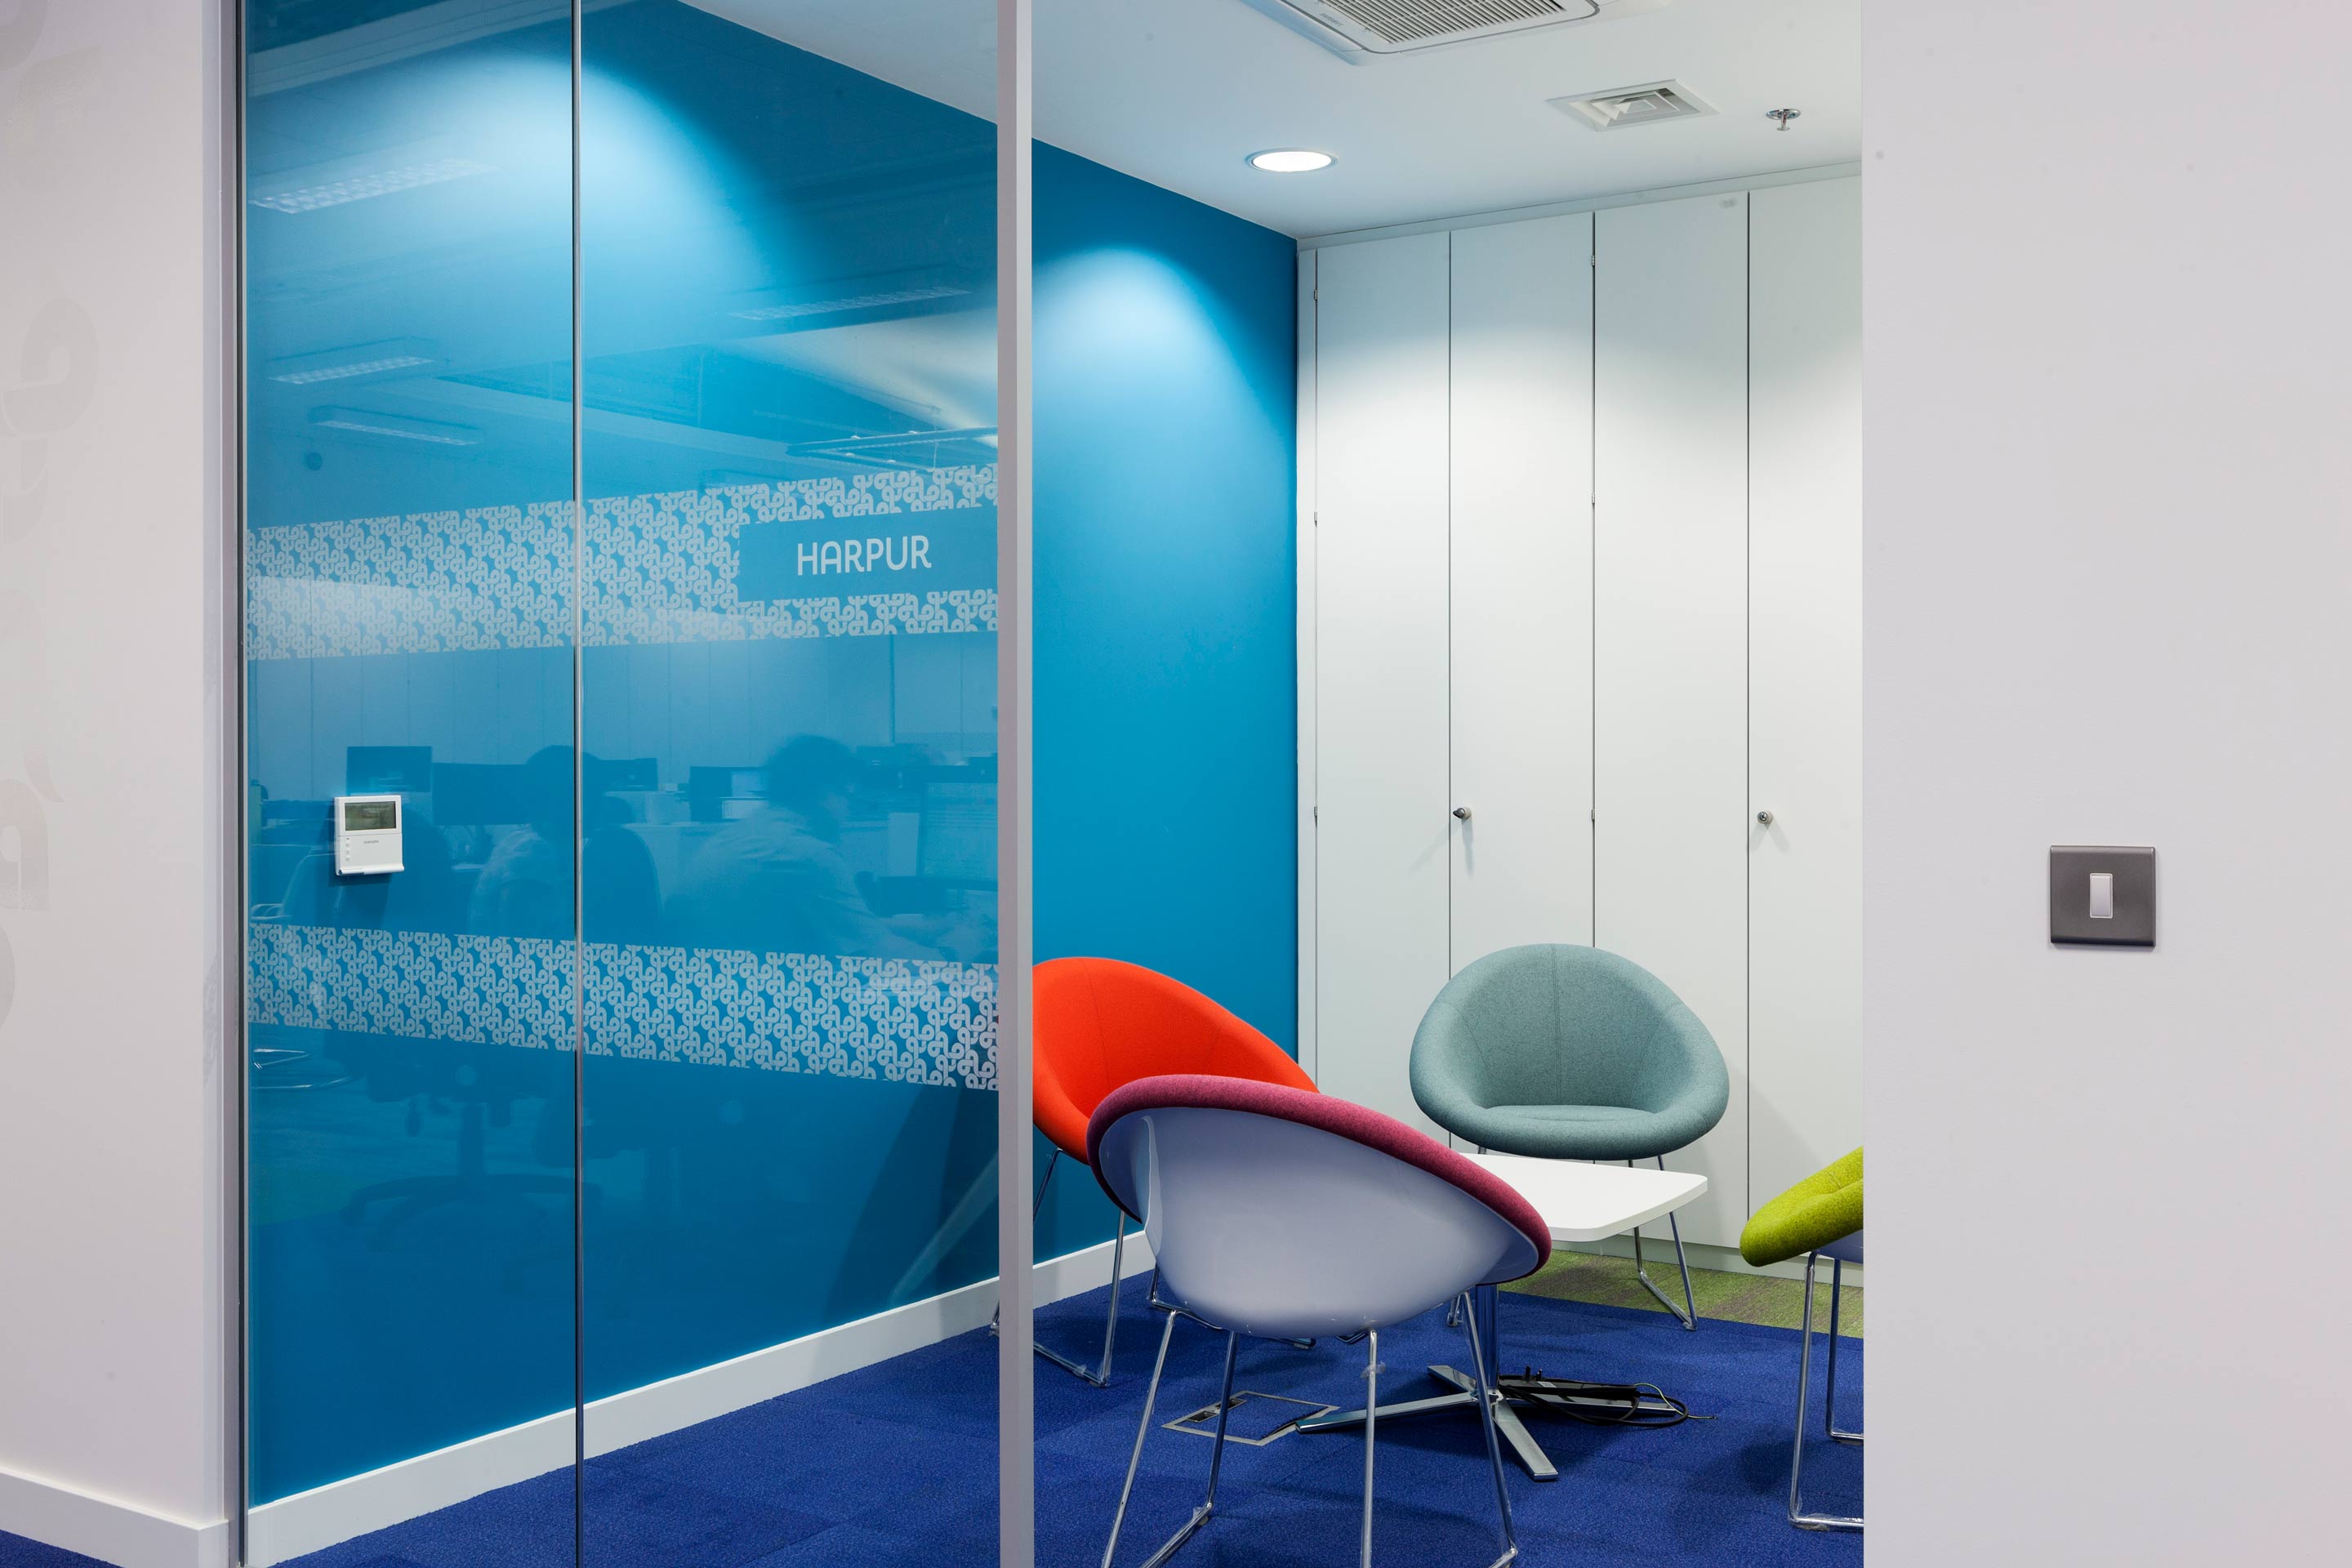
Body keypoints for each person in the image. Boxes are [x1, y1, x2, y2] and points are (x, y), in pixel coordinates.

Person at [666, 734, 936, 960]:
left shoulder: (746, 834)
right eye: (847, 795)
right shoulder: (805, 854)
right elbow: (880, 954)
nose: (848, 809)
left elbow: (848, 925)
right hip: (775, 1007)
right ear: (823, 794)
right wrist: (956, 951)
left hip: (714, 995)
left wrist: (922, 928)